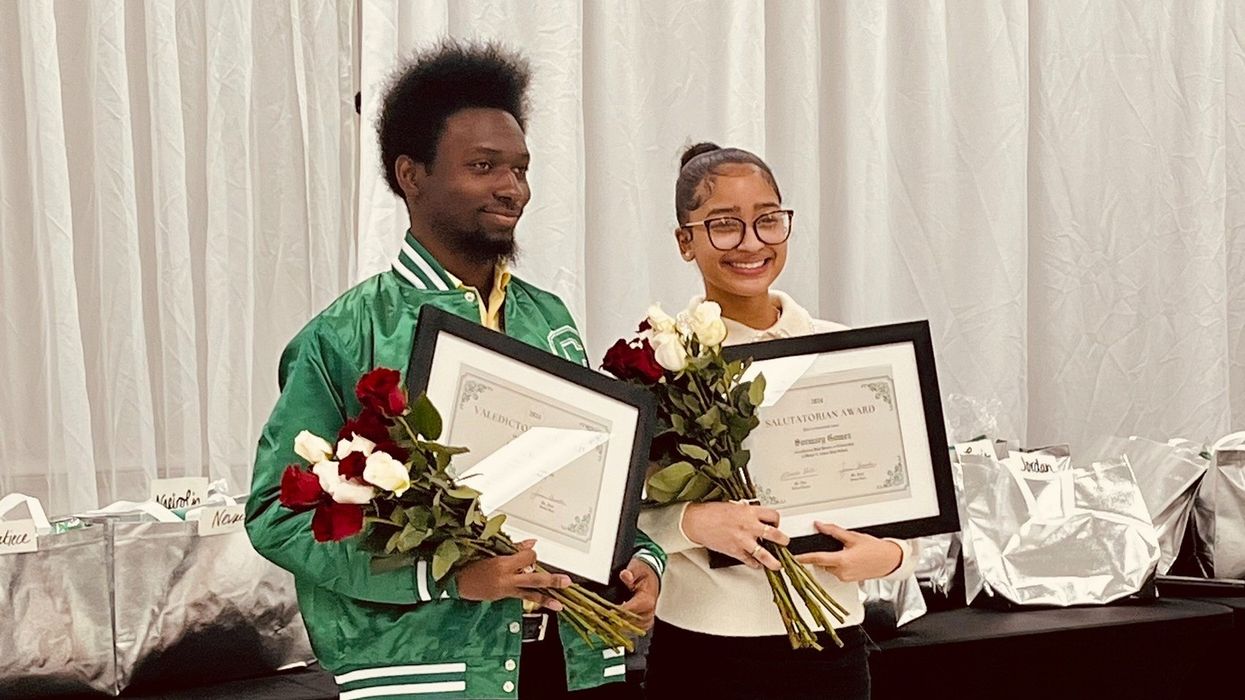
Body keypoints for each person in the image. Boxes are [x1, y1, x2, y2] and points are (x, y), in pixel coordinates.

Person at [245, 40, 664, 700]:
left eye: (521, 169)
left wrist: (638, 558)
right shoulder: (348, 332)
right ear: (412, 175)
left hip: (573, 664)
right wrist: (445, 576)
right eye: (483, 166)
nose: (512, 187)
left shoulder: (547, 317)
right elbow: (277, 513)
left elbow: (588, 483)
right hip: (426, 678)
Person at [638, 142, 917, 700]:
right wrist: (693, 523)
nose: (751, 243)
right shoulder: (655, 361)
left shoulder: (844, 353)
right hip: (703, 651)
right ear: (684, 241)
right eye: (724, 225)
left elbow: (909, 513)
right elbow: (619, 521)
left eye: (768, 221)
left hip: (833, 648)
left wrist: (889, 557)